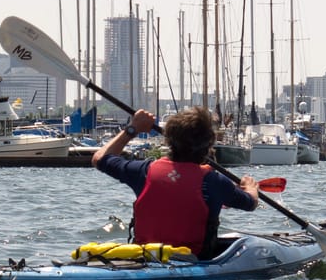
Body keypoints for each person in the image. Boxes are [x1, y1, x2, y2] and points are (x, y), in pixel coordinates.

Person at [92, 107, 259, 259]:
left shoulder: (144, 171)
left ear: (168, 140)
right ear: (209, 143)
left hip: (144, 258)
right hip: (194, 261)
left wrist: (132, 128)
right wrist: (251, 188)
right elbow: (250, 203)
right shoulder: (214, 181)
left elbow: (100, 158)